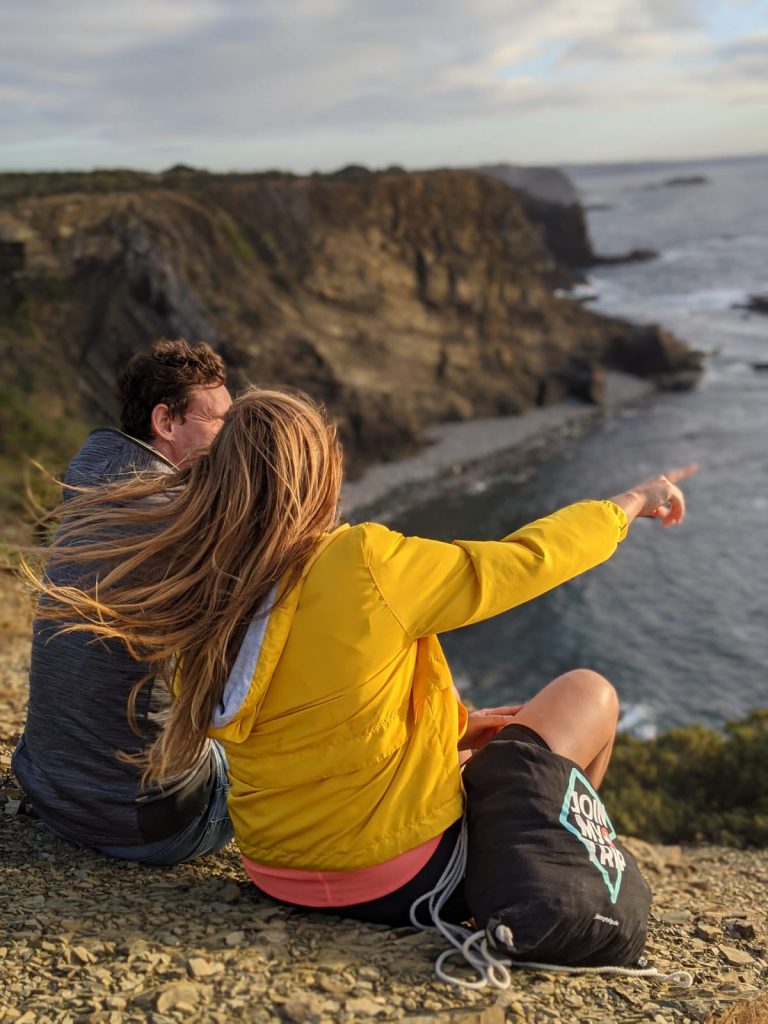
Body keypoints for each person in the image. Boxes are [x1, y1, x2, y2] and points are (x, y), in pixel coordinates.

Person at [25, 388, 696, 915]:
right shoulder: (363, 562)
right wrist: (631, 502)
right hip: (397, 881)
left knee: (484, 734)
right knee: (589, 695)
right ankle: (551, 883)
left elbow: (312, 701)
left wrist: (455, 730)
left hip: (274, 868)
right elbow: (527, 560)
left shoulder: (206, 577)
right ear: (316, 475)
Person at [13, 339, 235, 864]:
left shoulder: (94, 489)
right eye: (220, 422)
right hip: (143, 822)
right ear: (166, 422)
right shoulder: (174, 521)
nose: (233, 435)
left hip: (52, 793)